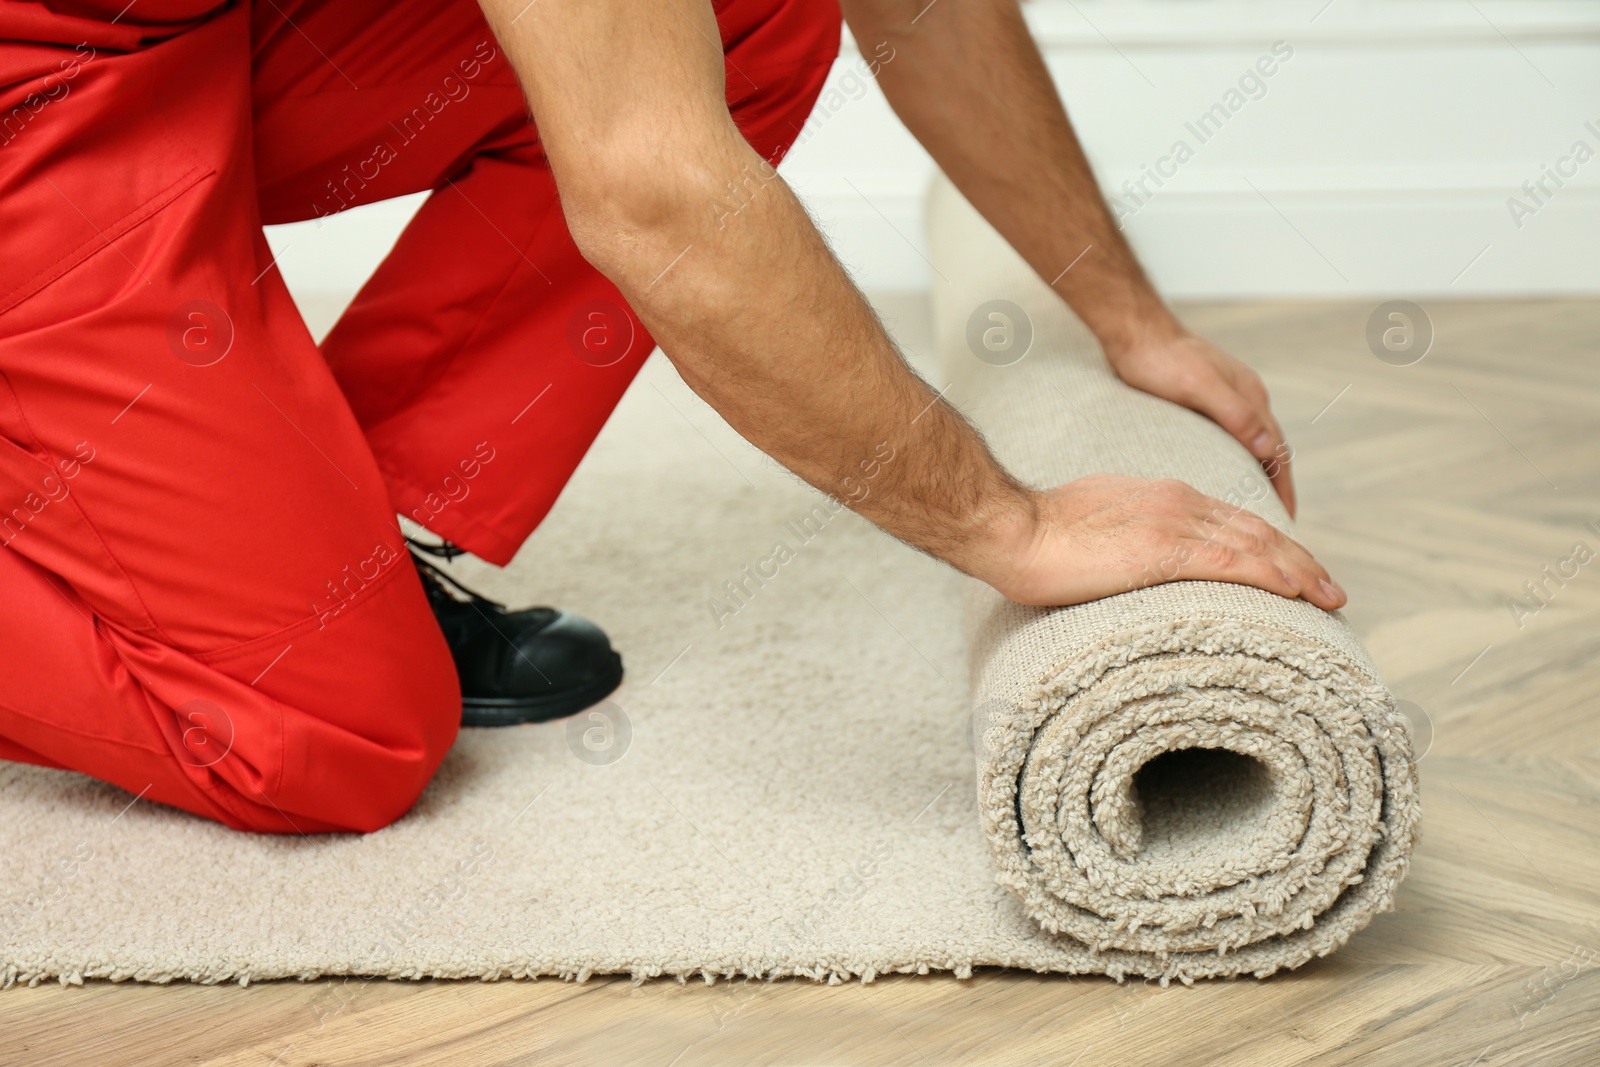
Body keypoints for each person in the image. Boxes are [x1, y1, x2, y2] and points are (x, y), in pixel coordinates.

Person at [0, 0, 1343, 835]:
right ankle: (272, 608)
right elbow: (655, 190)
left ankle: (347, 541)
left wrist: (1125, 314)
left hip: (164, 27)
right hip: (37, 81)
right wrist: (1012, 525)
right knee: (332, 732)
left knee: (750, 10)